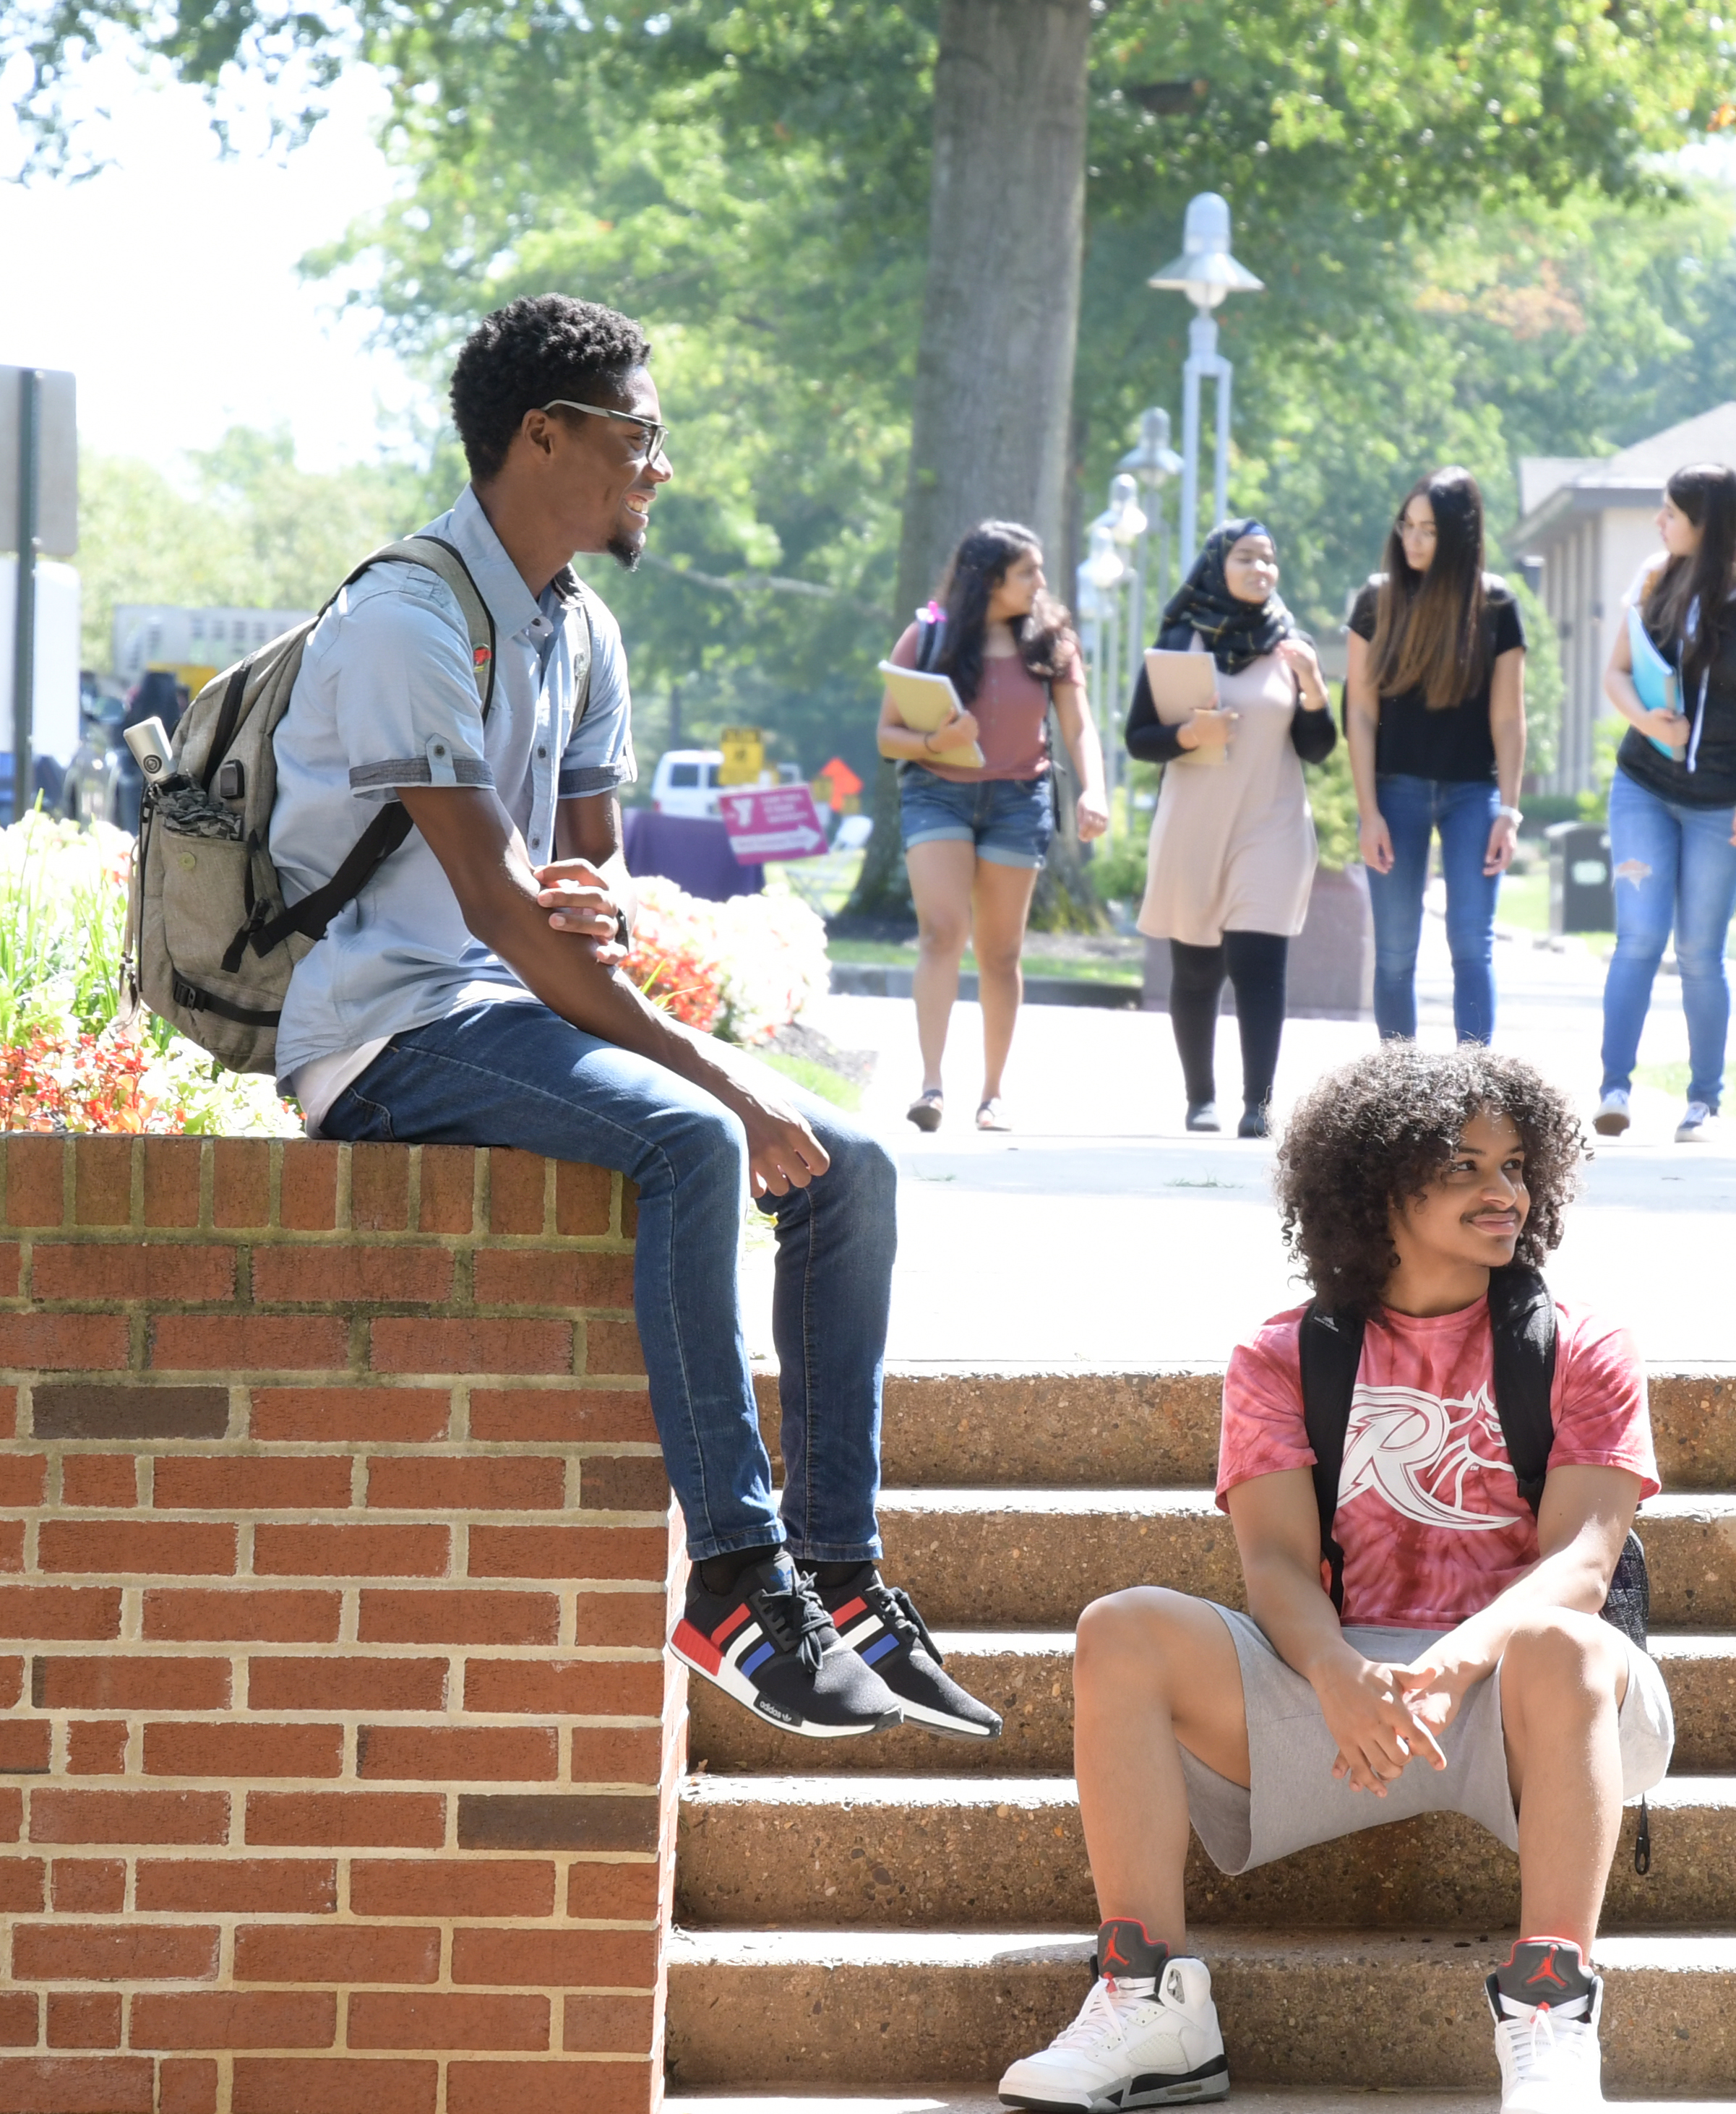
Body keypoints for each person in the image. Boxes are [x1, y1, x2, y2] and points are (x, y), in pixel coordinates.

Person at [267, 293, 1000, 1745]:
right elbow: (490, 911)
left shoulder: (575, 629)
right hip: (385, 1031)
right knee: (693, 1139)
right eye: (640, 434)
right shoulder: (405, 621)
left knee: (851, 1165)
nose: (660, 465)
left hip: (508, 1007)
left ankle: (838, 1577)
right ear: (544, 436)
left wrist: (597, 894)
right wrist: (725, 1084)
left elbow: (577, 874)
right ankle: (733, 1578)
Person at [996, 1046, 1667, 2114]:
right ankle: (1149, 2002)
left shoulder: (1581, 1345)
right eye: (1466, 1168)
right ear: (1377, 1190)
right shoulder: (1286, 1353)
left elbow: (1582, 1562)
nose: (1506, 1193)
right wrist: (1337, 1669)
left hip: (1534, 1706)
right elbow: (1270, 1560)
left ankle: (1551, 2013)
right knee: (1122, 1627)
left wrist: (1450, 1666)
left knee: (1563, 1641)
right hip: (1343, 1692)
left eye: (1516, 1166)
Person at [1594, 464, 1736, 1145]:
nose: (1659, 523)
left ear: (1707, 521)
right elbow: (1617, 673)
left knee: (1698, 950)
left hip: (1726, 799)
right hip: (1644, 788)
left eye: (1671, 512)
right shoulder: (1655, 577)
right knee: (1638, 936)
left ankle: (1703, 1099)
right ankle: (1614, 1088)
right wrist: (1648, 723)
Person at [877, 520, 1112, 1134]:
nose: (1040, 582)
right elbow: (887, 734)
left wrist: (1096, 790)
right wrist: (938, 739)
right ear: (989, 579)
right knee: (941, 934)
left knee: (1001, 952)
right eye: (1027, 572)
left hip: (1018, 798)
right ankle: (931, 1085)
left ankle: (992, 1094)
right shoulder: (928, 636)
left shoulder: (1052, 640)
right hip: (937, 794)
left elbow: (1079, 725)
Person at [1132, 520, 1333, 1139]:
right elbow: (1140, 737)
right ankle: (1201, 1098)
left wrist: (1315, 689)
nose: (1260, 569)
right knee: (1196, 969)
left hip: (1270, 823)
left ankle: (1259, 1104)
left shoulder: (1290, 645)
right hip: (1193, 825)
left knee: (1259, 961)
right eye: (1247, 557)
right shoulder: (1180, 639)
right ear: (1218, 564)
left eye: (1269, 559)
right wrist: (1191, 735)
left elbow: (1317, 748)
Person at [1346, 468, 1528, 1048]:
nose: (1415, 541)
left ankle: (1474, 1094)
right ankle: (1399, 1097)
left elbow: (1507, 717)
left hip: (1475, 793)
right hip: (1394, 790)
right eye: (1409, 527)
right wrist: (1368, 811)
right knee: (1396, 950)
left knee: (1472, 945)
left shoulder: (1497, 605)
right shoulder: (1377, 602)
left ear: (1460, 536)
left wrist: (1512, 810)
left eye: (1430, 530)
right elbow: (1360, 713)